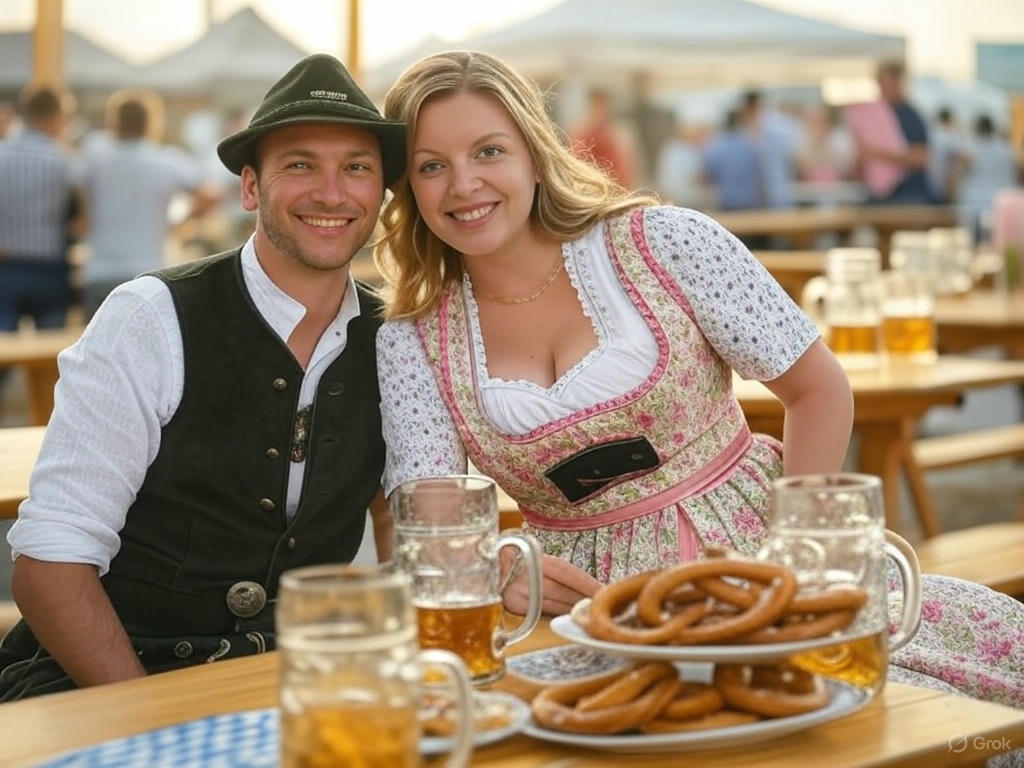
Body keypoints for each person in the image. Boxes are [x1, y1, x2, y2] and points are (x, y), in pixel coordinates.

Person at [373, 50, 1024, 710]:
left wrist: (791, 562)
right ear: (406, 187)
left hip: (755, 565)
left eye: (488, 152)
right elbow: (422, 527)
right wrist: (499, 570)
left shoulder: (664, 243)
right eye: (432, 165)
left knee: (906, 714)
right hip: (575, 617)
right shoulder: (413, 341)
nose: (463, 184)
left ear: (534, 154)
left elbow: (819, 389)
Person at [0, 53, 406, 700]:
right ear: (250, 189)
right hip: (115, 676)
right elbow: (51, 564)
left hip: (298, 681)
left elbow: (403, 519)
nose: (332, 192)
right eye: (300, 164)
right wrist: (155, 727)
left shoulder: (398, 339)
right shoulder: (148, 317)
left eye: (356, 168)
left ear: (379, 194)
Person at [77, 88, 220, 318]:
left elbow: (76, 196)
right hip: (148, 271)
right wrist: (180, 225)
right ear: (151, 123)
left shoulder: (94, 161)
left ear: (113, 122)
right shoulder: (167, 161)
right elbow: (211, 195)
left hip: (100, 270)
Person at [0, 85, 78, 332]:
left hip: (7, 265)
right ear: (57, 117)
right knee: (52, 356)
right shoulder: (66, 162)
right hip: (50, 267)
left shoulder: (3, 155)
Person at [569, 88, 636, 189]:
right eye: (597, 106)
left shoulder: (614, 136)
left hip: (613, 191)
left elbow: (625, 171)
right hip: (590, 191)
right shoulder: (582, 134)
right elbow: (577, 167)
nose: (601, 112)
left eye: (603, 107)